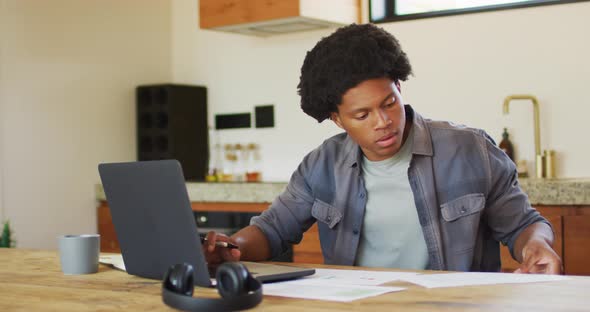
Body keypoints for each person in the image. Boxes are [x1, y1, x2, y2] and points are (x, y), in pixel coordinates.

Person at [203, 23, 562, 274]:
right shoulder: (321, 166)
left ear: (400, 86)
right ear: (337, 119)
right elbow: (271, 231)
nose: (383, 121)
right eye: (362, 114)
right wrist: (232, 248)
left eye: (389, 102)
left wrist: (537, 246)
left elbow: (525, 226)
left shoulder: (470, 150)